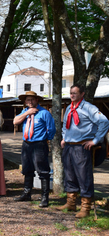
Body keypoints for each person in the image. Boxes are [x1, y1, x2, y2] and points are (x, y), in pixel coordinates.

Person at [58, 84, 109, 218]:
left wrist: (96, 140)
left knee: (84, 176)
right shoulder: (69, 107)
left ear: (82, 94)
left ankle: (85, 208)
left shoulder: (89, 108)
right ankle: (71, 203)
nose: (72, 95)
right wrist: (64, 138)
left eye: (75, 93)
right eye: (71, 93)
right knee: (69, 174)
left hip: (82, 147)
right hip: (69, 146)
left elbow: (104, 122)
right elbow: (65, 125)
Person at [13, 91, 55, 207]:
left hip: (39, 144)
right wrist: (28, 113)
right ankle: (27, 193)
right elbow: (15, 121)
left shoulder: (44, 113)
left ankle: (45, 197)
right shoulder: (24, 112)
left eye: (32, 99)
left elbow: (51, 129)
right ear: (25, 102)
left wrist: (46, 140)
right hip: (26, 144)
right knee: (27, 169)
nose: (30, 102)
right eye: (28, 100)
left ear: (37, 100)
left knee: (43, 170)